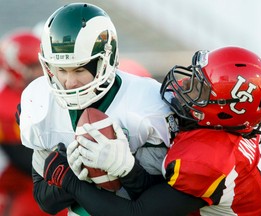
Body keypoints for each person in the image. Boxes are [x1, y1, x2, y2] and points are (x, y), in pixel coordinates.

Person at [43, 46, 261, 215]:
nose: (185, 85)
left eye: (199, 88)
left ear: (224, 111)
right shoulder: (225, 131)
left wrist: (69, 181)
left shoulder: (211, 158)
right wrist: (128, 170)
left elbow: (136, 213)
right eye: (194, 77)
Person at [18, 2, 177, 215]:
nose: (69, 82)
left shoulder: (147, 102)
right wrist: (72, 174)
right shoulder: (39, 101)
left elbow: (163, 203)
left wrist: (128, 170)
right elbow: (46, 201)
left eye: (79, 69)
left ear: (107, 60)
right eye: (61, 70)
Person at [0, 29, 59, 215]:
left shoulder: (38, 95)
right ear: (15, 67)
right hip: (21, 187)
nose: (41, 72)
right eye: (34, 66)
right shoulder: (8, 105)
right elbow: (26, 160)